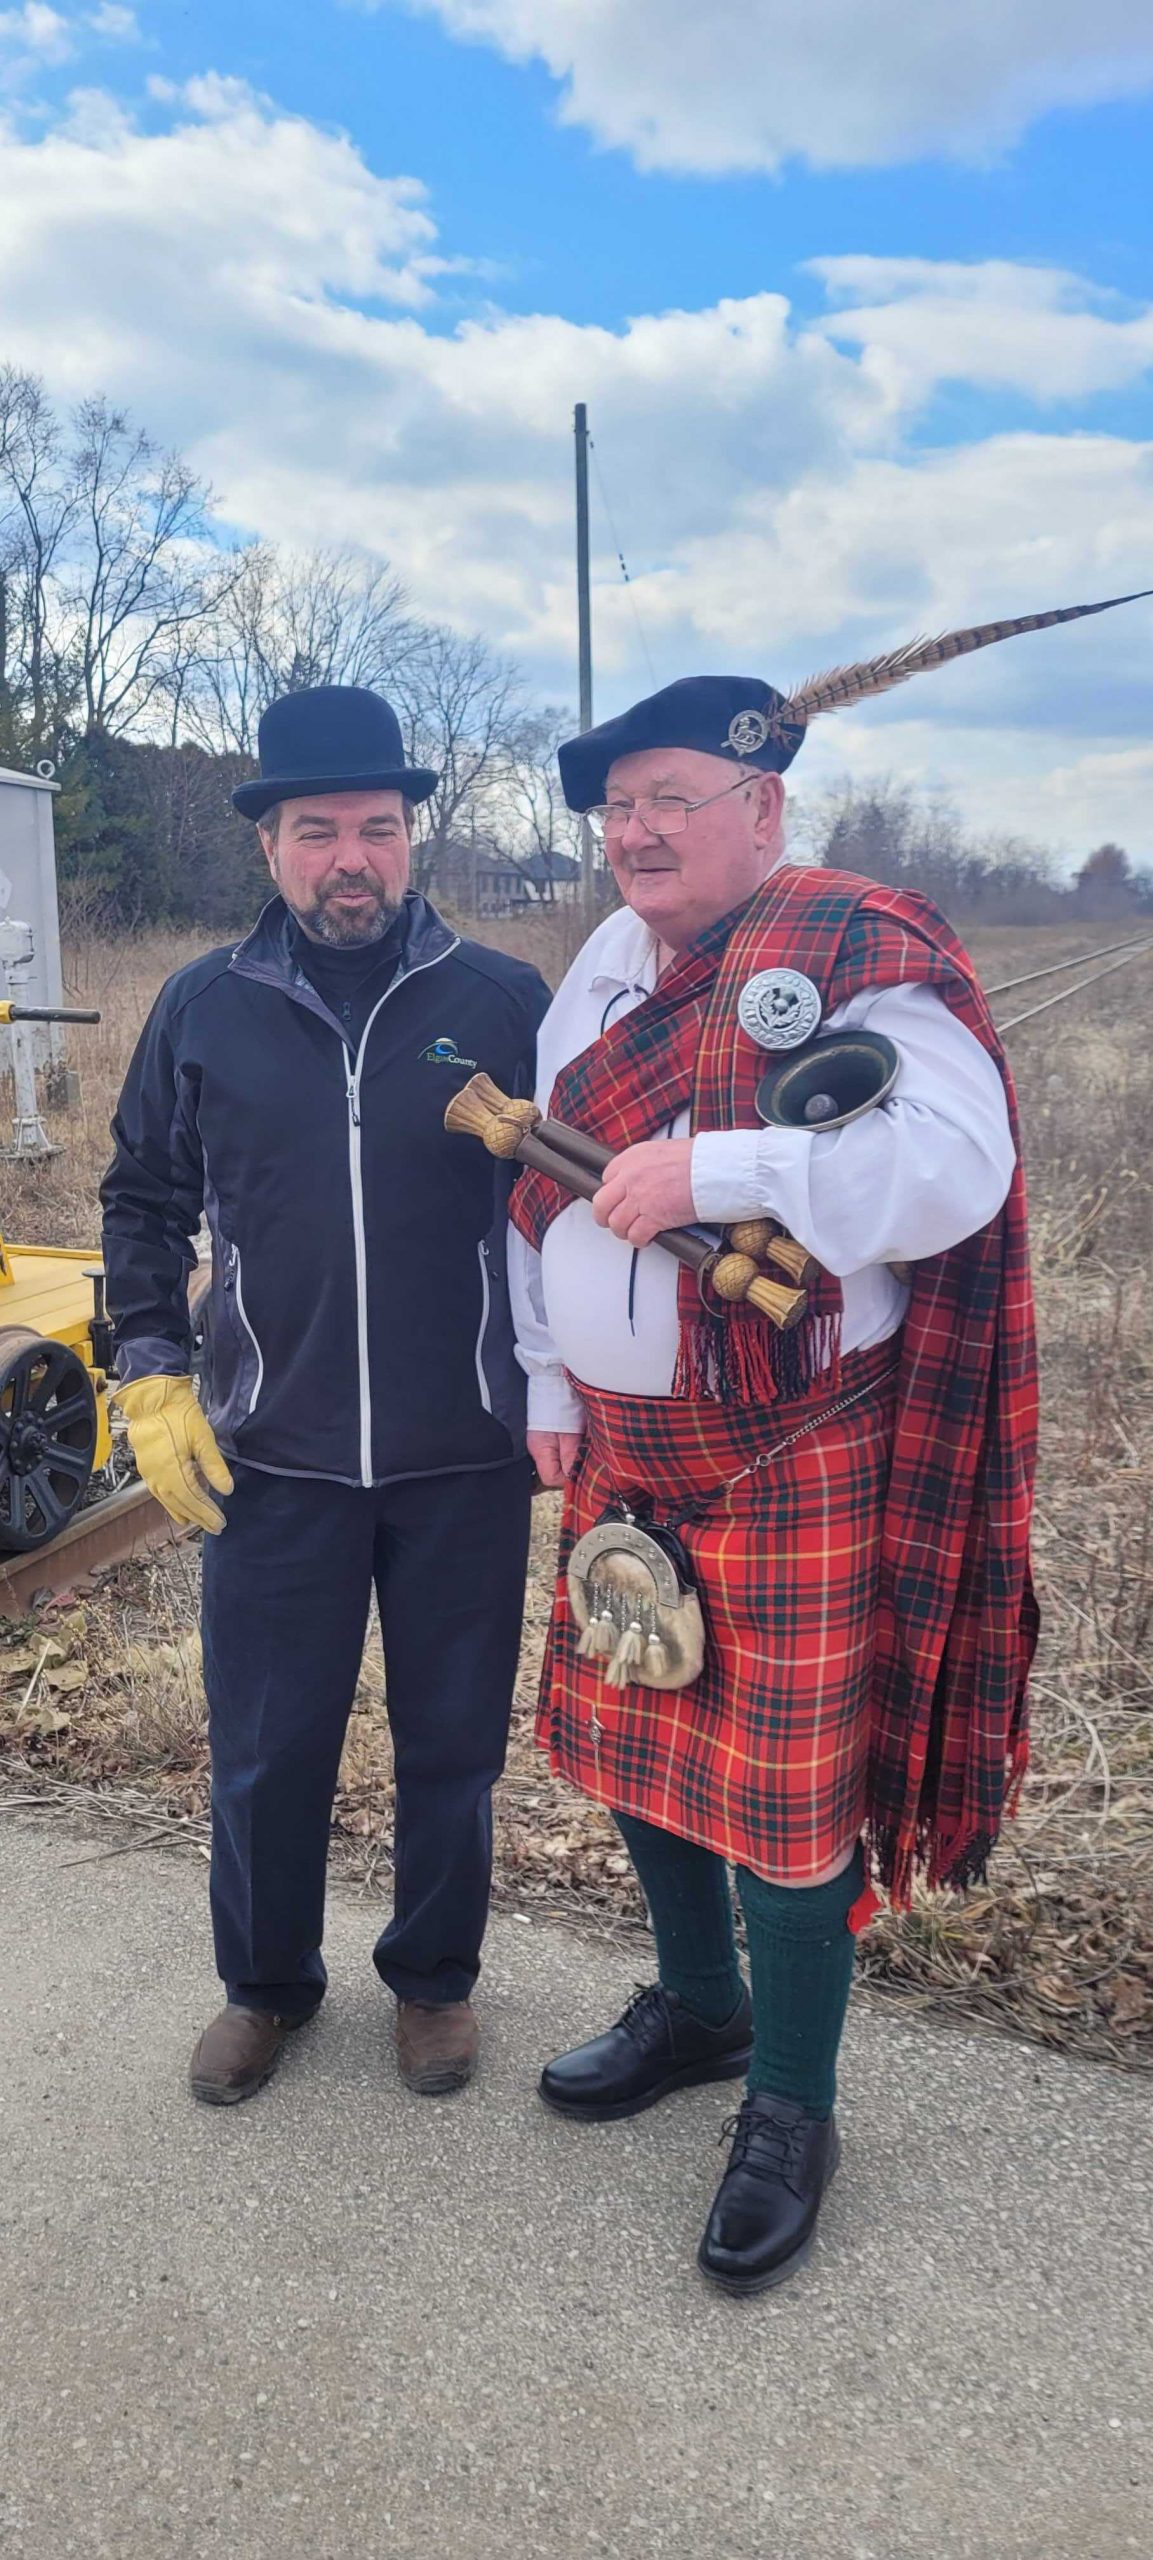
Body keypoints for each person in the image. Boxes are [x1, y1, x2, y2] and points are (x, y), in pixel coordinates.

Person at [506, 618, 1070, 2294]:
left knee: (785, 1804)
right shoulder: (603, 963)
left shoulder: (850, 937)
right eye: (617, 808)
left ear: (761, 806)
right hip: (623, 1441)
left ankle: (790, 2103)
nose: (638, 834)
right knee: (635, 1740)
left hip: (793, 1448)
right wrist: (548, 1368)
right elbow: (539, 1178)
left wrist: (721, 1169)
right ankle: (696, 2003)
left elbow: (952, 1161)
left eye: (672, 799)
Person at [102, 684, 549, 2107]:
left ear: (410, 838)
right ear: (270, 847)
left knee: (453, 1749)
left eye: (375, 826)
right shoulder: (203, 1005)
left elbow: (575, 1214)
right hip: (270, 1456)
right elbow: (142, 1198)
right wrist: (152, 1361)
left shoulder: (498, 1002)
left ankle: (433, 1983)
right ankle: (266, 1986)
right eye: (316, 830)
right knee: (266, 1750)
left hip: (464, 1454)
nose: (348, 855)